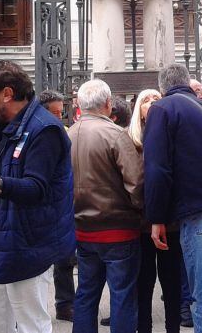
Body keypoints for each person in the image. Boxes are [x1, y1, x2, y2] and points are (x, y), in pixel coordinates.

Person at [0, 61, 75, 333]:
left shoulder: (45, 129)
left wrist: (0, 185)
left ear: (6, 93)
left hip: (26, 243)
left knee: (31, 322)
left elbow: (37, 188)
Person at [143, 64, 202, 333]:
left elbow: (157, 168)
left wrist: (156, 217)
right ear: (187, 82)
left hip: (200, 207)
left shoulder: (162, 109)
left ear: (162, 87)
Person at [67, 79, 143, 333]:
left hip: (82, 227)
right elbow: (136, 182)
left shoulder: (68, 134)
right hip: (118, 228)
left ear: (79, 104)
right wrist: (142, 212)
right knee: (122, 295)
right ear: (108, 104)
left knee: (86, 293)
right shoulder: (115, 134)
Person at [130, 88, 184, 333]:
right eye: (146, 100)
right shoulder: (129, 141)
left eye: (156, 99)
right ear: (138, 109)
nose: (151, 103)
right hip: (140, 224)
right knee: (144, 283)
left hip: (170, 222)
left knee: (172, 282)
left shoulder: (172, 135)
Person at [37, 89, 75, 323]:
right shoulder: (36, 133)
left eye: (62, 112)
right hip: (41, 205)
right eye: (54, 112)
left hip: (63, 204)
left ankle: (65, 303)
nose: (59, 117)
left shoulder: (65, 133)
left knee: (65, 258)